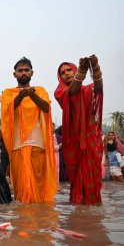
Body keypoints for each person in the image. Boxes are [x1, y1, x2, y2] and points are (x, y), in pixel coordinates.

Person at [1, 57, 57, 203]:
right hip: (17, 146)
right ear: (15, 74)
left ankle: (39, 218)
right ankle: (23, 222)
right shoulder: (8, 93)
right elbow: (7, 111)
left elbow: (46, 108)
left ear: (32, 73)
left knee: (38, 184)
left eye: (26, 70)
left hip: (37, 145)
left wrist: (32, 95)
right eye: (20, 71)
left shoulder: (40, 90)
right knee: (20, 187)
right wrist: (20, 96)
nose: (23, 73)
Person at [54, 55, 104, 205]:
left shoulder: (88, 90)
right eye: (62, 72)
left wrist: (95, 68)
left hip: (91, 138)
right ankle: (78, 209)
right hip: (73, 142)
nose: (66, 73)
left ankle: (93, 209)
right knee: (76, 179)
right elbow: (72, 91)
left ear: (74, 70)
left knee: (93, 178)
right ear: (60, 77)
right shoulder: (60, 92)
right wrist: (81, 72)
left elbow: (99, 88)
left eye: (69, 70)